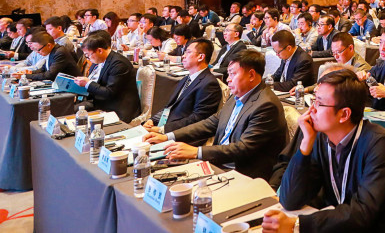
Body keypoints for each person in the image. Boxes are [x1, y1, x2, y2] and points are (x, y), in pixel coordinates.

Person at [263, 69, 385, 233]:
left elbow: (363, 213)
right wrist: (306, 143)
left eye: (319, 103)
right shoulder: (321, 138)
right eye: (313, 100)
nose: (311, 110)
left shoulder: (378, 144)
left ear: (344, 114)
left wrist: (298, 225)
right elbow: (290, 200)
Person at [145, 49, 288, 180]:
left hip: (242, 173)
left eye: (233, 74)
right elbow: (210, 123)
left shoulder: (266, 105)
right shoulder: (238, 94)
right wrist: (167, 136)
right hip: (219, 163)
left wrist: (196, 152)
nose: (228, 79)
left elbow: (243, 148)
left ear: (251, 75)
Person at [143, 39, 222, 140]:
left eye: (188, 52)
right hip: (165, 127)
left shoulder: (209, 84)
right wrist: (152, 120)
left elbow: (198, 119)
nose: (183, 56)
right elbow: (170, 106)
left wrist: (162, 130)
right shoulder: (187, 78)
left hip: (181, 136)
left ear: (201, 57)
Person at [74, 31, 141, 123]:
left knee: (75, 112)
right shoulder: (99, 60)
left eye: (88, 55)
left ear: (100, 51)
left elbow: (110, 92)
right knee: (67, 108)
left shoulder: (119, 64)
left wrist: (87, 83)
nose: (87, 58)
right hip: (99, 100)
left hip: (117, 108)